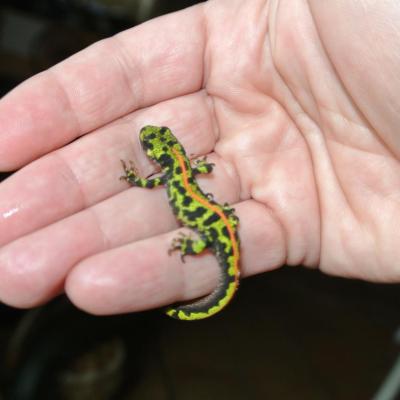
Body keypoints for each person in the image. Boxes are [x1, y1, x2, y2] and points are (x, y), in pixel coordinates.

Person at [0, 0, 399, 315]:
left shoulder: (173, 174)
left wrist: (143, 184)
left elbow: (146, 181)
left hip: (216, 223)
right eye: (154, 141)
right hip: (216, 221)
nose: (151, 144)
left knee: (209, 256)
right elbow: (180, 173)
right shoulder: (182, 170)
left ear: (164, 153)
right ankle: (204, 283)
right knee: (211, 249)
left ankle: (202, 293)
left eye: (154, 143)